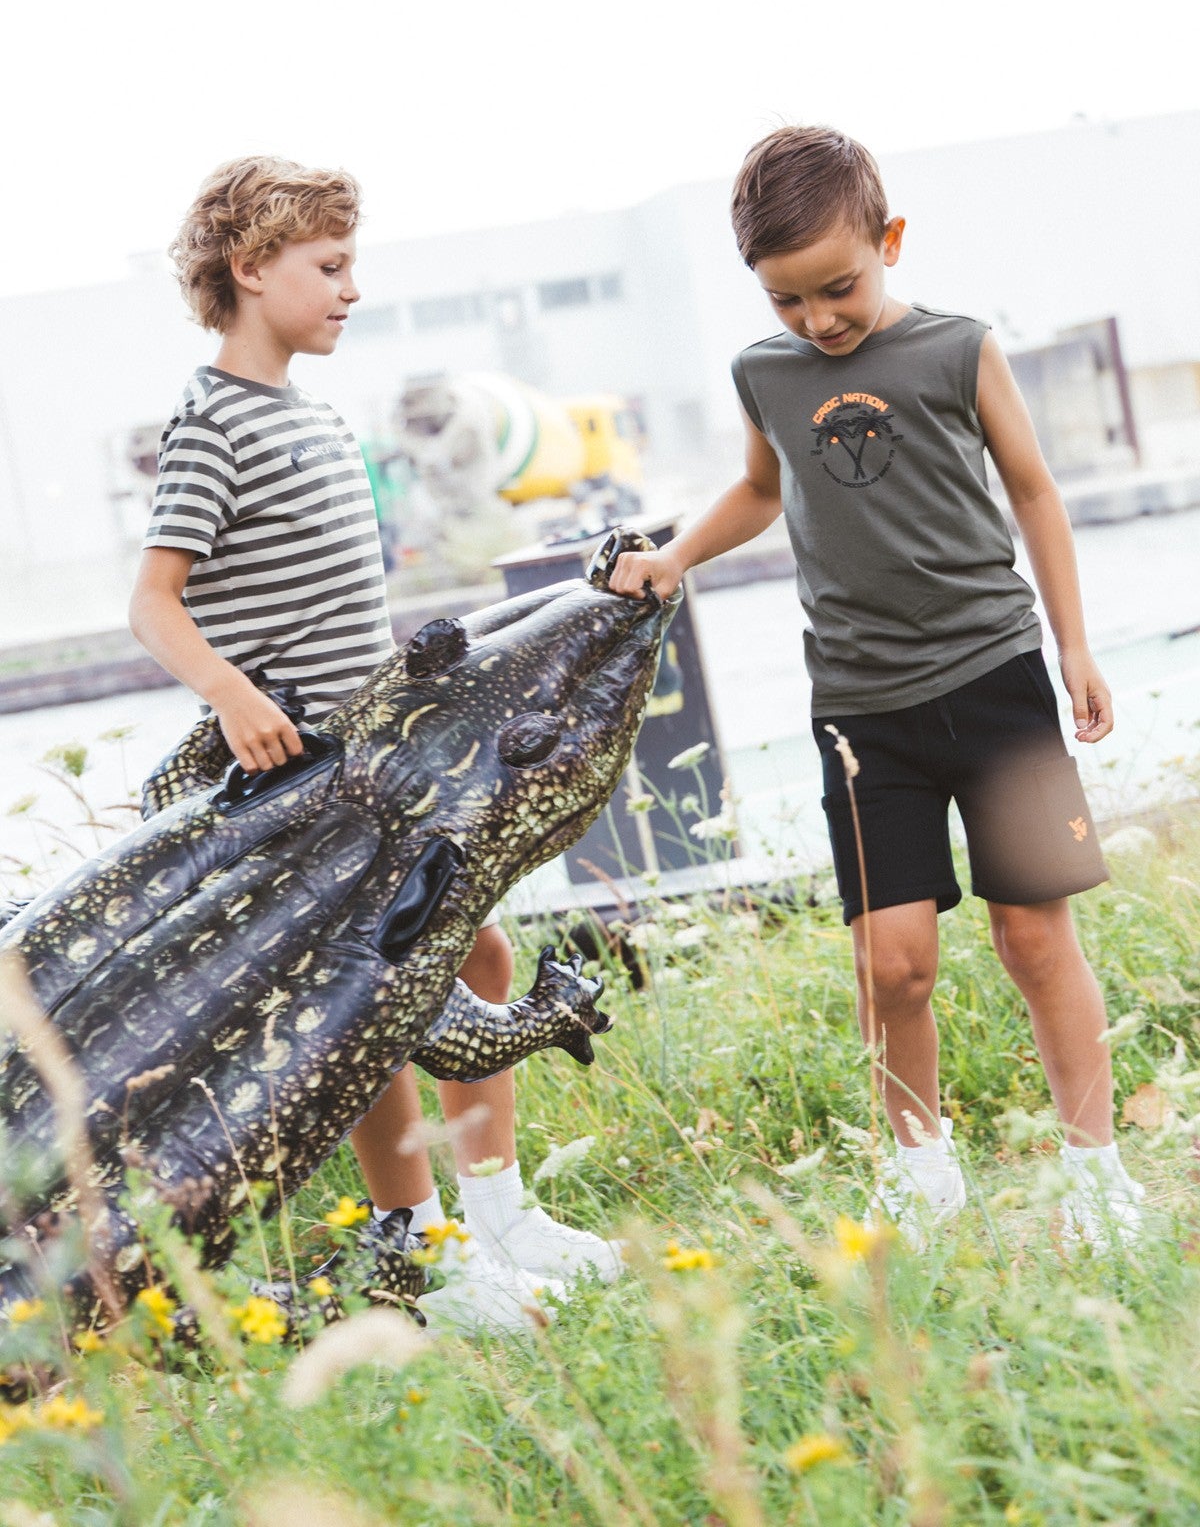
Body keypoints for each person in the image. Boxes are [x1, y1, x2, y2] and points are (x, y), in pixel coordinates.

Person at [610, 125, 1143, 1251]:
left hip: (996, 681)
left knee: (1034, 939)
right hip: (861, 709)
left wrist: (1074, 647)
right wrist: (675, 557)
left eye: (838, 287)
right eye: (786, 299)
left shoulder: (960, 350)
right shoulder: (763, 374)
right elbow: (762, 488)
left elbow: (1035, 492)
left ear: (889, 241)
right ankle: (923, 1176)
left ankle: (1098, 1176)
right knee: (892, 961)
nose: (817, 320)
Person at [129, 156, 621, 1329]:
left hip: (380, 762)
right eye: (331, 266)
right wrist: (231, 695)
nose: (352, 290)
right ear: (253, 268)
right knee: (375, 1011)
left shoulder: (315, 414)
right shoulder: (211, 424)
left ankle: (497, 1213)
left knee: (480, 958)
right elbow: (153, 602)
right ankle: (426, 1251)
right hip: (303, 779)